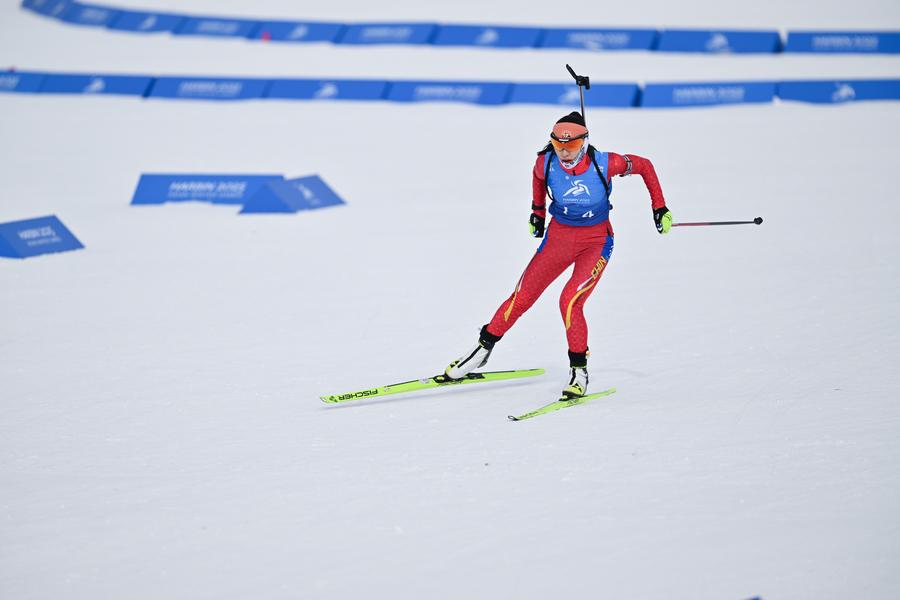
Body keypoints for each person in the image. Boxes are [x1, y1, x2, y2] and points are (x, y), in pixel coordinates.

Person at [444, 111, 672, 398]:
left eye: (572, 146)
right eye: (558, 145)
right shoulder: (546, 162)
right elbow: (538, 179)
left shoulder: (606, 163)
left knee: (569, 301)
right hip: (559, 239)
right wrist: (537, 212)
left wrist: (659, 207)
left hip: (595, 242)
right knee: (522, 296)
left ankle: (579, 371)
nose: (564, 152)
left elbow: (645, 166)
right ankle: (481, 350)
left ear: (584, 142)